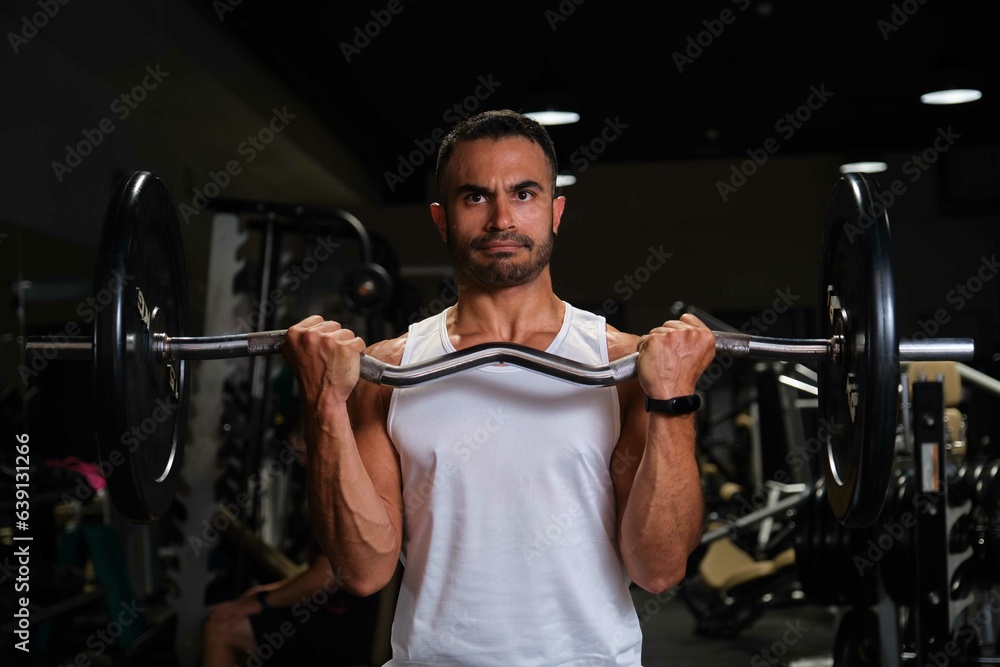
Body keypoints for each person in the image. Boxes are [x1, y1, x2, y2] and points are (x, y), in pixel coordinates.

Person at [281, 109, 716, 665]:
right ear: (442, 219)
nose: (502, 219)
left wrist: (673, 399)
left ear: (556, 212)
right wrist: (324, 402)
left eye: (524, 194)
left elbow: (659, 568)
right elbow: (362, 571)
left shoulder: (623, 367)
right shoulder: (388, 371)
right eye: (475, 197)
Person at [200, 420, 380, 666]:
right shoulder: (333, 490)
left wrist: (261, 602)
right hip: (335, 616)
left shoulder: (340, 494)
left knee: (219, 629)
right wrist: (263, 594)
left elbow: (325, 577)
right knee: (238, 621)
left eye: (304, 453)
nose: (301, 463)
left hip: (350, 630)